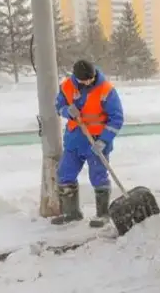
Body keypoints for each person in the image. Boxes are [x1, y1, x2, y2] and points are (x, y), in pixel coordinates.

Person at [51, 60, 124, 227]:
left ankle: (102, 214)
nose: (88, 82)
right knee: (65, 173)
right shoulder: (67, 86)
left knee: (98, 176)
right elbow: (58, 104)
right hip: (74, 140)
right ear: (77, 77)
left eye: (91, 79)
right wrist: (66, 111)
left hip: (96, 142)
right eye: (85, 80)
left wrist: (104, 141)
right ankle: (71, 213)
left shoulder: (106, 90)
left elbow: (117, 118)